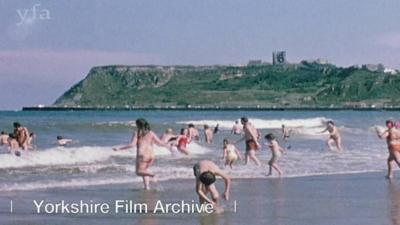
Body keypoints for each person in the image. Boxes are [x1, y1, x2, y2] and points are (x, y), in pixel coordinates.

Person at [113, 118, 171, 190]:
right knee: (145, 170)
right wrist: (168, 145)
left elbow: (132, 144)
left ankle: (154, 175)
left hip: (142, 155)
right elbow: (160, 143)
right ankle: (147, 187)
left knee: (138, 172)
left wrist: (119, 148)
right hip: (151, 155)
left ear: (138, 125)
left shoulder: (137, 132)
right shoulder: (151, 132)